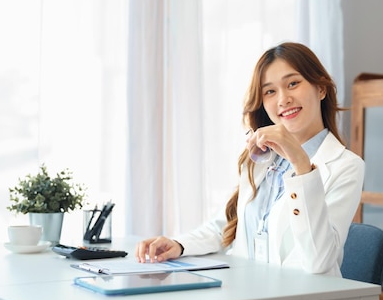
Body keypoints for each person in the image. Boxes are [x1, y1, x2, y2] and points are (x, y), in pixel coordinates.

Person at [136, 42, 365, 277]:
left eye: (293, 84)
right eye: (270, 91)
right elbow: (225, 227)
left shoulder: (346, 166)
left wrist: (301, 164)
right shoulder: (261, 158)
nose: (283, 99)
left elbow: (318, 260)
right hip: (248, 295)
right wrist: (178, 244)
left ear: (321, 89)